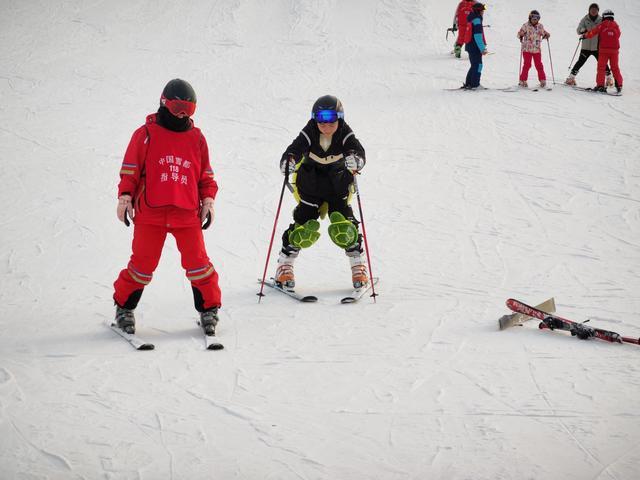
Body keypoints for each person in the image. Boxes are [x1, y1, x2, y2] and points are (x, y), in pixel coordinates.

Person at [112, 79, 222, 336]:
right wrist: (125, 197)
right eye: (177, 107)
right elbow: (130, 169)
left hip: (186, 213)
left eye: (188, 109)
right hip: (151, 212)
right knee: (142, 265)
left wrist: (208, 200)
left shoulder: (197, 138)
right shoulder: (145, 134)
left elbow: (205, 175)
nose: (182, 114)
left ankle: (209, 309)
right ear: (164, 103)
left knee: (198, 264)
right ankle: (124, 307)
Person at [274, 95, 368, 290]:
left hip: (338, 186)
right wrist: (288, 161)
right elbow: (294, 149)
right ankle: (285, 265)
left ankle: (358, 265)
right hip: (310, 186)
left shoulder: (345, 133)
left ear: (340, 119)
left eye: (331, 121)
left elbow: (357, 150)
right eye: (321, 121)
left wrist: (357, 160)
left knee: (345, 226)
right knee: (303, 226)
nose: (326, 126)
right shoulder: (309, 131)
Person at [566, 3, 613, 87]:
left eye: (595, 10)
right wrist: (583, 30)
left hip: (597, 47)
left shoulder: (601, 20)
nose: (593, 11)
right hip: (586, 47)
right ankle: (571, 78)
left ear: (598, 11)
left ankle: (609, 79)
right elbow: (578, 30)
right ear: (589, 10)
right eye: (592, 9)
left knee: (603, 63)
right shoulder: (585, 19)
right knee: (580, 62)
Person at [583, 9, 622, 93]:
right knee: (615, 67)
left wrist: (585, 36)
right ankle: (619, 85)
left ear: (604, 16)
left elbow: (593, 32)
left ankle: (600, 85)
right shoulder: (616, 25)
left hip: (603, 50)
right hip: (614, 51)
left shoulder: (602, 25)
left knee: (601, 68)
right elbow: (618, 35)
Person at [517, 10, 550, 88]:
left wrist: (546, 34)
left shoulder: (540, 26)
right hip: (527, 49)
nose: (535, 20)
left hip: (536, 50)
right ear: (530, 18)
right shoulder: (525, 25)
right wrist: (520, 35)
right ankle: (522, 80)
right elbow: (519, 34)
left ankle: (542, 80)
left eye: (537, 18)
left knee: (539, 65)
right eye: (533, 18)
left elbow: (543, 33)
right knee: (527, 65)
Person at [462, 2, 488, 90]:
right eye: (482, 11)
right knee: (478, 65)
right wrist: (482, 48)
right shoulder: (477, 20)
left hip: (470, 46)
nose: (483, 12)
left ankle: (469, 83)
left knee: (474, 65)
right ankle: (475, 85)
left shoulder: (472, 18)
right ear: (478, 11)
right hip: (474, 47)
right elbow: (477, 36)